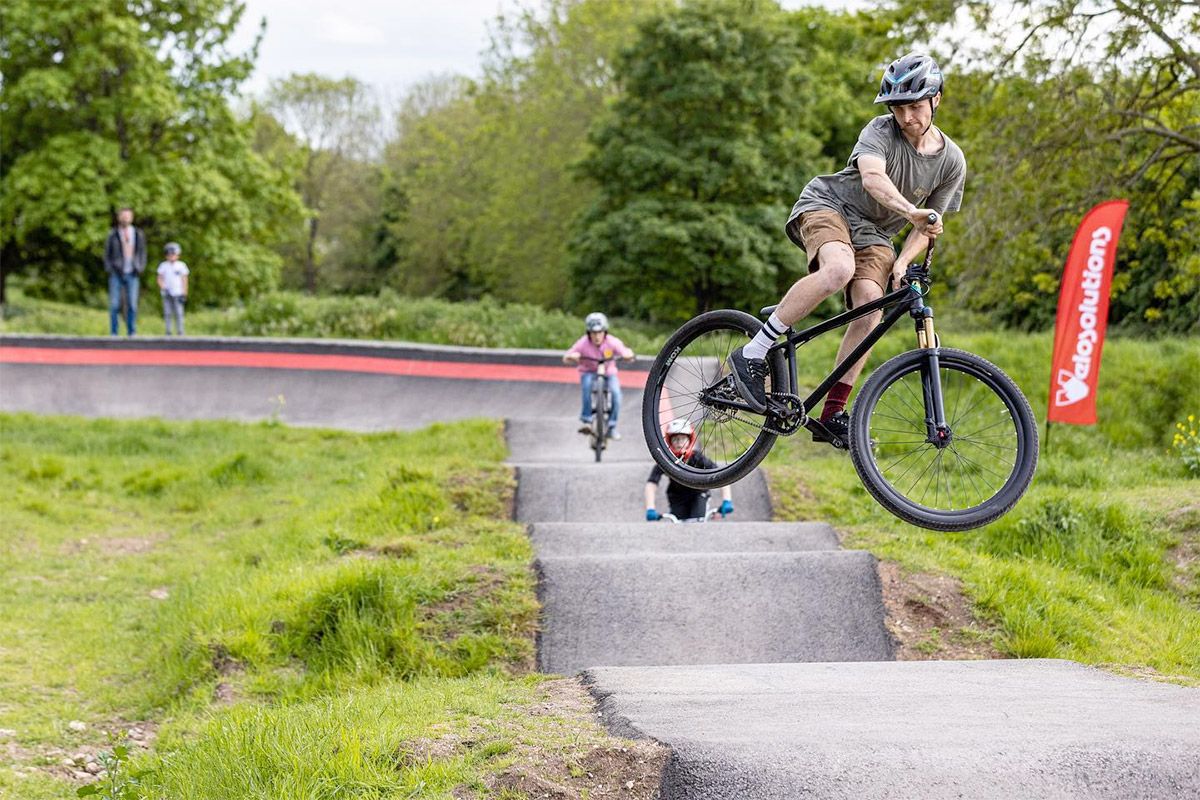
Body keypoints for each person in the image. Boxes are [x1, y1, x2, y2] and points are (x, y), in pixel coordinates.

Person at [727, 53, 966, 446]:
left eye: (916, 106)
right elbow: (872, 177)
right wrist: (910, 211)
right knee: (838, 269)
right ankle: (753, 352)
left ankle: (832, 412)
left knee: (871, 304)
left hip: (875, 233)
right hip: (829, 205)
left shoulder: (952, 161)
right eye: (899, 108)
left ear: (936, 99)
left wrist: (904, 262)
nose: (907, 116)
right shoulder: (880, 130)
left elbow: (931, 223)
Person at [563, 312, 635, 440]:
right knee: (586, 386)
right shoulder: (583, 343)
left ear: (605, 332)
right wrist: (572, 356)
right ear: (588, 333)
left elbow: (627, 353)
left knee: (616, 394)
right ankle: (587, 420)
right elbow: (566, 357)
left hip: (608, 372)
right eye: (593, 333)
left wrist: (627, 355)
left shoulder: (612, 342)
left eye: (599, 332)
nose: (596, 336)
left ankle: (612, 427)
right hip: (588, 371)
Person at [645, 421, 734, 521]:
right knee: (677, 525)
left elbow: (720, 475)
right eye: (675, 439)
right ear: (670, 442)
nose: (679, 443)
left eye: (683, 439)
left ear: (690, 440)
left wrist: (727, 500)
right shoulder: (666, 461)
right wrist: (650, 508)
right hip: (677, 497)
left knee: (697, 521)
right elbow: (651, 483)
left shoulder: (697, 458)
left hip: (698, 494)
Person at [104, 207, 147, 336]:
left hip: (133, 273)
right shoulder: (113, 234)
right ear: (119, 218)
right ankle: (114, 332)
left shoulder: (138, 234)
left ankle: (131, 331)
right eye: (123, 216)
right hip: (116, 273)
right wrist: (110, 268)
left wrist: (140, 267)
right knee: (114, 304)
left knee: (132, 304)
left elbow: (142, 252)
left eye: (128, 216)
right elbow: (107, 254)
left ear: (132, 218)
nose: (125, 218)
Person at [156, 242, 190, 336]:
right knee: (168, 313)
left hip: (178, 293)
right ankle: (168, 331)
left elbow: (184, 280)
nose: (171, 256)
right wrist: (163, 287)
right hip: (167, 293)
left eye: (173, 254)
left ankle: (180, 331)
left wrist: (184, 292)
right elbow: (159, 278)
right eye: (169, 254)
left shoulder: (181, 265)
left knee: (179, 313)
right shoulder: (163, 265)